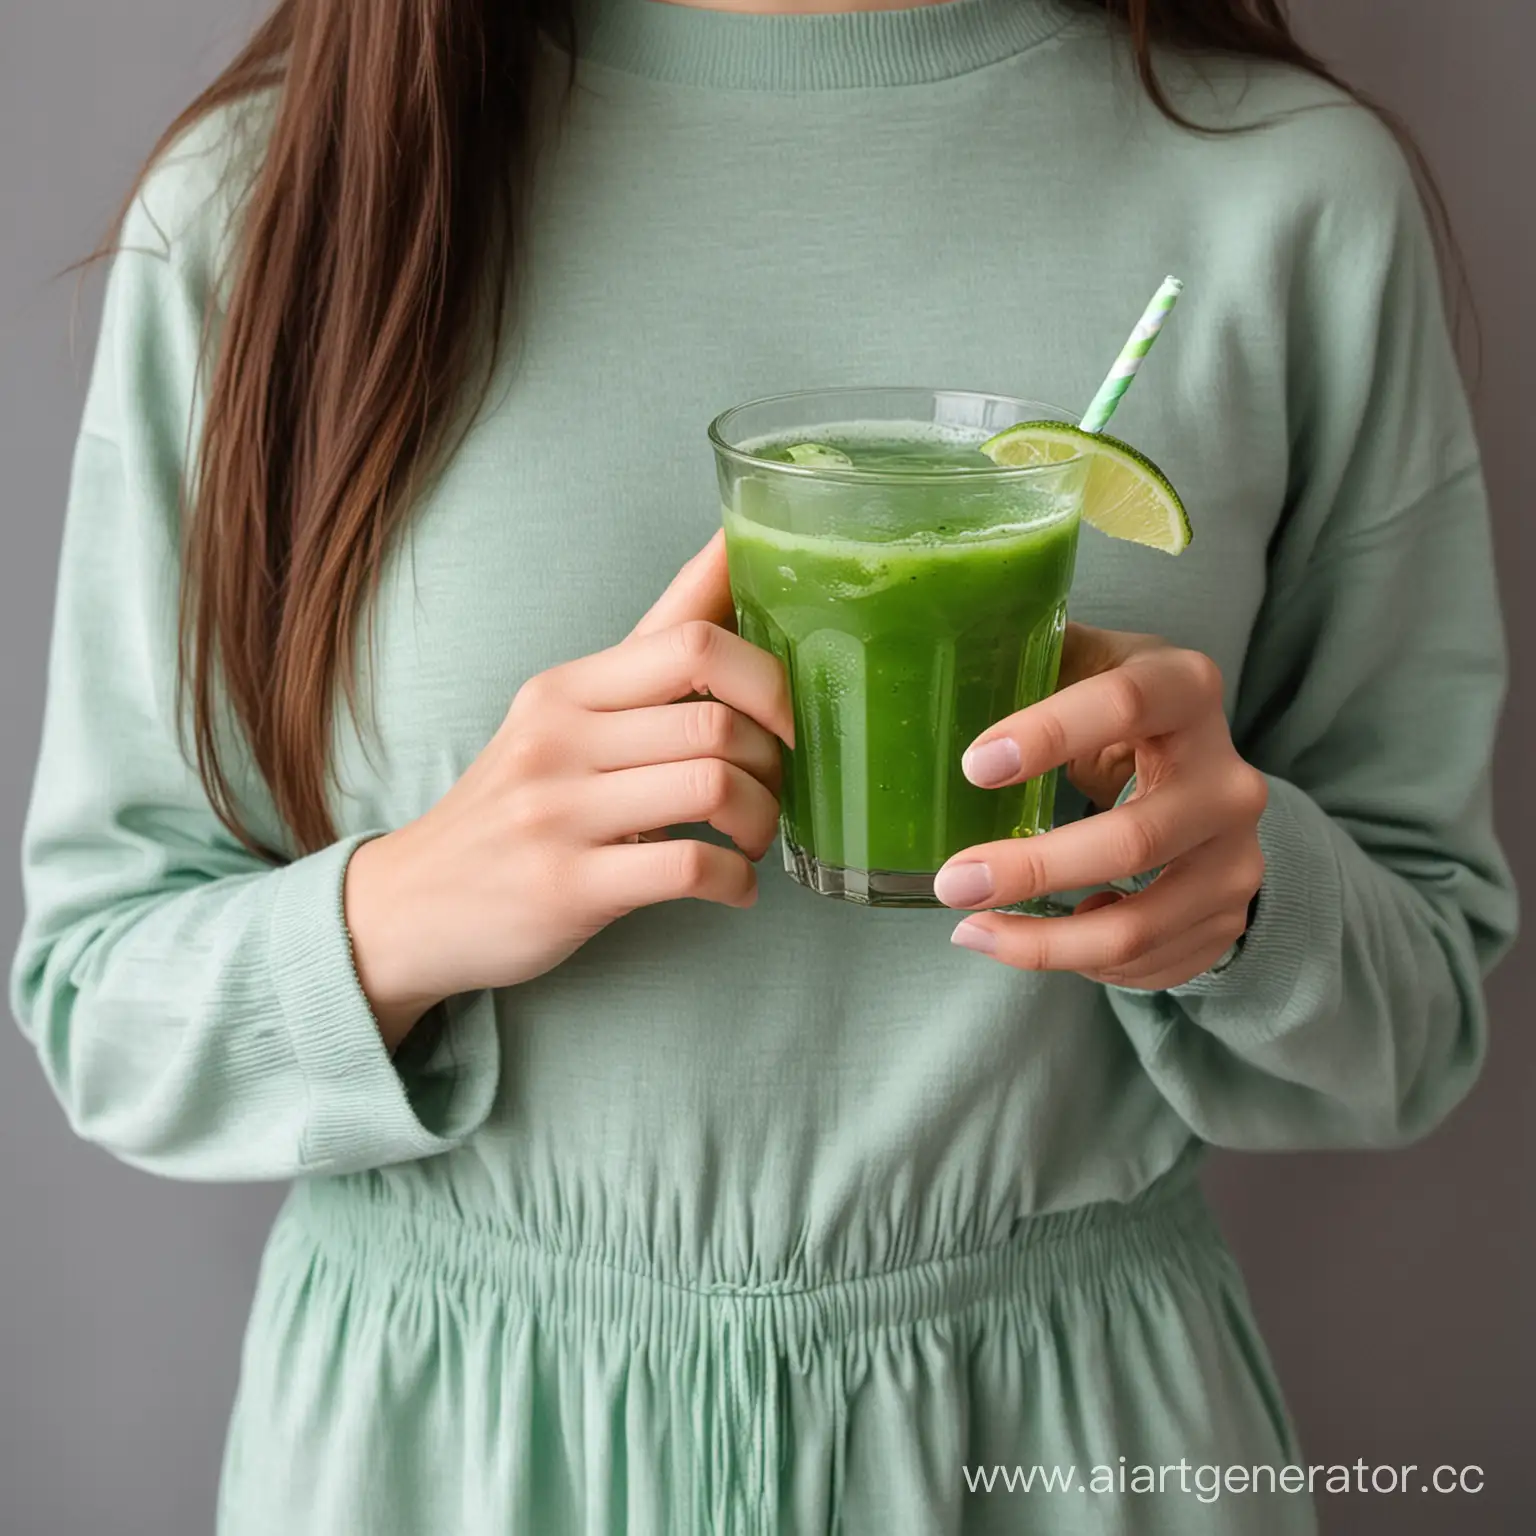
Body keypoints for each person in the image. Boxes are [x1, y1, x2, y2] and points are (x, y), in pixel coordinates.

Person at [9, 0, 1517, 1531]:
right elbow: (97, 1003)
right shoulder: (262, 198)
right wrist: (406, 908)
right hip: (446, 1461)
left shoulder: (1290, 192)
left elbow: (1424, 1019)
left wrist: (1245, 906)